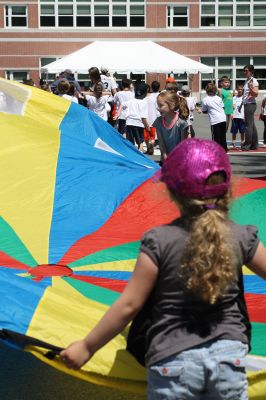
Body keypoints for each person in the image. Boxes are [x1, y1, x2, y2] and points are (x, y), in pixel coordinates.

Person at [61, 138, 266, 400]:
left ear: (170, 191)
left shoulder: (159, 240)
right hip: (229, 360)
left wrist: (87, 347)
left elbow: (129, 305)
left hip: (173, 360)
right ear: (227, 190)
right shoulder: (241, 236)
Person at [153, 91, 189, 163]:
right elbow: (161, 143)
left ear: (172, 105)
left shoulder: (181, 123)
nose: (158, 108)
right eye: (158, 105)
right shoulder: (158, 122)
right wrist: (164, 155)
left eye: (161, 105)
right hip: (165, 160)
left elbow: (183, 145)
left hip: (180, 160)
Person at [124, 82, 150, 153]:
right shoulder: (144, 102)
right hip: (138, 124)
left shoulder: (130, 101)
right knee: (140, 142)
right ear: (145, 93)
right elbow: (143, 117)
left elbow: (122, 105)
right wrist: (147, 127)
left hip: (129, 123)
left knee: (130, 141)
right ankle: (140, 154)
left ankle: (131, 154)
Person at [201, 82, 227, 152]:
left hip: (215, 120)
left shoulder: (205, 99)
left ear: (206, 90)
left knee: (216, 137)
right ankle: (224, 149)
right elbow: (223, 107)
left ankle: (217, 150)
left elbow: (204, 110)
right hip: (223, 118)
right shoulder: (218, 98)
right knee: (223, 136)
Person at [241, 65, 259, 151]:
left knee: (248, 126)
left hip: (250, 104)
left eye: (246, 71)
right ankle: (254, 145)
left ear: (251, 72)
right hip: (247, 104)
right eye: (244, 70)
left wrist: (251, 87)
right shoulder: (247, 80)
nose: (244, 72)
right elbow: (245, 95)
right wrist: (241, 104)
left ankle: (247, 145)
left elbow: (256, 94)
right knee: (252, 125)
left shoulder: (253, 81)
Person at [144, 80, 160, 155]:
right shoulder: (157, 97)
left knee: (146, 135)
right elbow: (158, 108)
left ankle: (148, 147)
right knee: (152, 135)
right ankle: (152, 144)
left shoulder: (143, 99)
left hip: (145, 119)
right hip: (154, 118)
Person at [229, 84, 245, 149]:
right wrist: (231, 114)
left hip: (242, 117)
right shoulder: (234, 98)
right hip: (235, 117)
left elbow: (246, 108)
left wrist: (245, 116)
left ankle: (242, 143)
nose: (240, 90)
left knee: (242, 131)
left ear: (243, 90)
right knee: (234, 131)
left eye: (241, 89)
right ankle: (233, 143)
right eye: (238, 89)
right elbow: (231, 107)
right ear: (237, 90)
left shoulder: (244, 98)